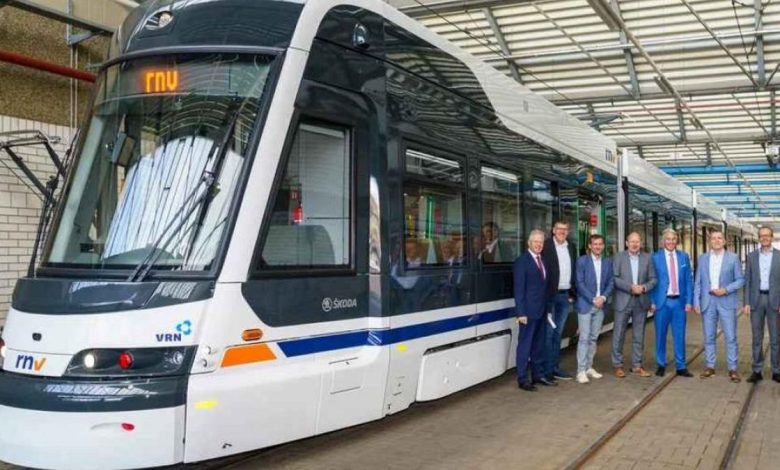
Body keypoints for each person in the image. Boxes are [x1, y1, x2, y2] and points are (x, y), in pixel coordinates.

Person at [694, 230, 745, 382]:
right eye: (713, 238)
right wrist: (696, 301)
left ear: (724, 241)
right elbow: (698, 282)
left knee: (730, 337)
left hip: (726, 301)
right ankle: (710, 366)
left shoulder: (733, 258)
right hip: (708, 302)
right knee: (709, 336)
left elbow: (741, 280)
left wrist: (726, 289)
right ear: (710, 241)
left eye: (719, 238)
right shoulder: (702, 258)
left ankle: (733, 369)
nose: (716, 241)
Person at [612, 232, 657, 378]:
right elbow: (615, 278)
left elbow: (653, 279)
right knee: (618, 334)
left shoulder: (648, 258)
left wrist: (643, 288)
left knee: (639, 335)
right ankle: (618, 365)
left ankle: (637, 365)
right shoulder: (618, 257)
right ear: (626, 243)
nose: (635, 244)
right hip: (623, 300)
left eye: (637, 241)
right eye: (632, 241)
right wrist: (630, 287)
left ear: (641, 243)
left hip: (641, 301)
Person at [650, 228, 694, 378]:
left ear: (677, 241)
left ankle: (681, 366)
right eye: (667, 239)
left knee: (679, 335)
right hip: (662, 302)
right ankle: (661, 364)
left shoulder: (684, 257)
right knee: (660, 335)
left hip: (679, 303)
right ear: (663, 241)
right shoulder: (655, 258)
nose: (670, 241)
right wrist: (652, 301)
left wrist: (689, 301)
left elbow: (688, 279)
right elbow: (650, 280)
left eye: (673, 239)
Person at [513, 229, 552, 391]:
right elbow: (519, 289)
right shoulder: (522, 261)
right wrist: (521, 313)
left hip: (542, 311)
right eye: (536, 241)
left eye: (541, 242)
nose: (538, 244)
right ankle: (522, 378)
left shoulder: (543, 260)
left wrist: (547, 309)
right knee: (525, 345)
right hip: (527, 313)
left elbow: (545, 288)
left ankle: (538, 375)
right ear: (529, 243)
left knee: (538, 345)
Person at [574, 234, 614, 384]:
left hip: (601, 305)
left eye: (600, 244)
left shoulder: (607, 262)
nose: (598, 246)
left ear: (603, 246)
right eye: (595, 244)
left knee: (593, 338)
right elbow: (579, 283)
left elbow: (611, 282)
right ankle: (580, 371)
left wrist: (602, 298)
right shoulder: (582, 261)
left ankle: (589, 367)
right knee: (584, 338)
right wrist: (593, 299)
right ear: (589, 246)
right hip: (586, 305)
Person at [541, 221, 577, 381]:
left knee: (558, 334)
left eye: (565, 229)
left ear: (567, 232)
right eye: (559, 229)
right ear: (553, 231)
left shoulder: (571, 247)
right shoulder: (546, 246)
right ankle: (545, 371)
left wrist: (572, 293)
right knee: (548, 334)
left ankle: (554, 367)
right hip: (550, 296)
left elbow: (573, 269)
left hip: (564, 296)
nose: (562, 231)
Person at [744, 227, 780, 383]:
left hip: (775, 301)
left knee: (775, 338)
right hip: (756, 301)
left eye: (767, 235)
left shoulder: (779, 256)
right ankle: (757, 370)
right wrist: (746, 302)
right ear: (758, 238)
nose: (764, 238)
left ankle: (776, 370)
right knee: (756, 337)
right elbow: (748, 281)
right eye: (762, 236)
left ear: (772, 237)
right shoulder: (751, 257)